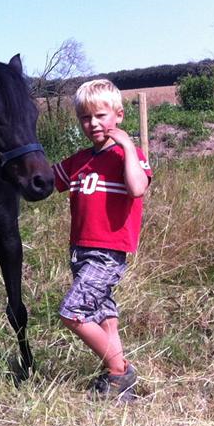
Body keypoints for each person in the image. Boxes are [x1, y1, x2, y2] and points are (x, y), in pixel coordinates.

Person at [53, 79, 152, 400]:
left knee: (73, 312)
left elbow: (137, 188)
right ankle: (118, 386)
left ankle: (119, 370)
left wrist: (125, 148)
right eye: (85, 117)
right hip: (80, 250)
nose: (93, 123)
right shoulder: (79, 160)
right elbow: (41, 183)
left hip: (108, 252)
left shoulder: (131, 156)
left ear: (119, 115)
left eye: (100, 116)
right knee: (103, 314)